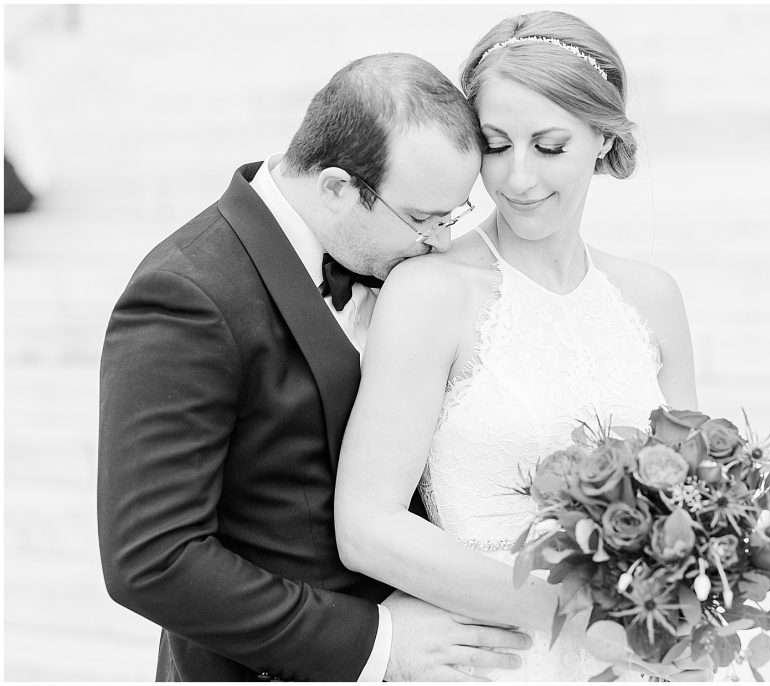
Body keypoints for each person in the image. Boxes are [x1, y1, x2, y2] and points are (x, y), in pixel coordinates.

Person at [97, 53, 532, 682]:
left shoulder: (402, 272)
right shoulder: (187, 294)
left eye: (451, 216)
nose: (437, 241)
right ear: (336, 187)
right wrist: (377, 642)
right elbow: (152, 559)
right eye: (421, 219)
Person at [335, 11, 705, 681]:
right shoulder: (429, 293)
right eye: (496, 145)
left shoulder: (653, 297)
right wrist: (571, 615)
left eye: (550, 145)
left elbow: (692, 503)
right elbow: (366, 526)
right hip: (494, 661)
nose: (517, 178)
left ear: (602, 137)